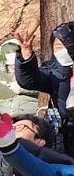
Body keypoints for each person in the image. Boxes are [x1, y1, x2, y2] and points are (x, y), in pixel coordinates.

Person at [13, 22, 74, 151]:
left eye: (65, 46)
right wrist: (26, 58)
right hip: (68, 132)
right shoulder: (54, 69)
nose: (62, 51)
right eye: (57, 47)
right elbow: (29, 81)